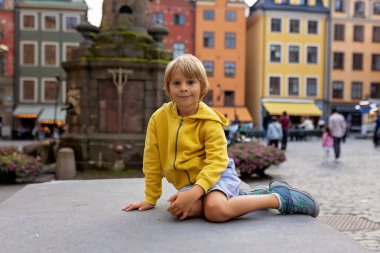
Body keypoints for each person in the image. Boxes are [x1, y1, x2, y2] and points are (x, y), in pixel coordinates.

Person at [122, 54, 319, 222]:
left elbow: (217, 161)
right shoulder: (159, 119)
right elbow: (152, 160)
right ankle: (245, 197)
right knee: (180, 211)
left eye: (190, 82)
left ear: (202, 87)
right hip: (191, 184)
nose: (183, 88)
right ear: (168, 87)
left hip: (217, 175)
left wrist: (196, 191)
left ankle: (279, 198)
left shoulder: (210, 120)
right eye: (177, 83)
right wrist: (150, 198)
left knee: (215, 211)